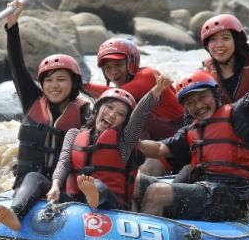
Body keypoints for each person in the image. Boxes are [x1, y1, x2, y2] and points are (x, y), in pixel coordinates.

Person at [136, 29, 249, 221]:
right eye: (190, 103)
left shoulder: (241, 113)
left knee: (157, 192)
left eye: (202, 97)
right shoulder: (192, 130)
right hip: (205, 190)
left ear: (215, 95)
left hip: (238, 195)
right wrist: (129, 142)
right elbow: (159, 148)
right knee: (135, 182)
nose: (198, 106)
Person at [0, 0, 91, 230]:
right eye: (48, 80)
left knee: (38, 180)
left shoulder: (85, 113)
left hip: (63, 189)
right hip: (27, 184)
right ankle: (15, 213)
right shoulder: (32, 100)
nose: (54, 86)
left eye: (61, 79)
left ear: (73, 83)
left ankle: (17, 212)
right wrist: (12, 25)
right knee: (33, 178)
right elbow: (17, 65)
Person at [46, 76, 170, 214]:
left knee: (97, 186)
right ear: (97, 109)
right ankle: (17, 210)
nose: (111, 115)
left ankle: (93, 198)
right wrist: (55, 186)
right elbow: (63, 163)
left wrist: (157, 90)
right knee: (35, 178)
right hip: (74, 200)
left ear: (124, 122)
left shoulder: (125, 142)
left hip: (112, 205)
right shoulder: (73, 134)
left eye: (120, 114)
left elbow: (139, 116)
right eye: (109, 107)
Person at [83, 38, 184, 141]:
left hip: (180, 130)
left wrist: (80, 85)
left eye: (118, 65)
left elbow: (111, 94)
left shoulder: (148, 75)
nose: (113, 72)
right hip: (163, 132)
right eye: (108, 67)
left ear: (131, 63)